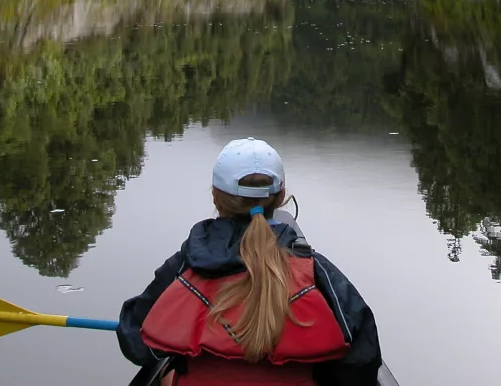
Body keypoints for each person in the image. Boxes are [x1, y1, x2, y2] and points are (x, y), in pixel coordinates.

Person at [116, 137, 382, 386]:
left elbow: (138, 343)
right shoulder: (317, 271)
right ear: (281, 197)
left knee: (168, 371)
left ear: (216, 198)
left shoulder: (184, 266)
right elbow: (363, 358)